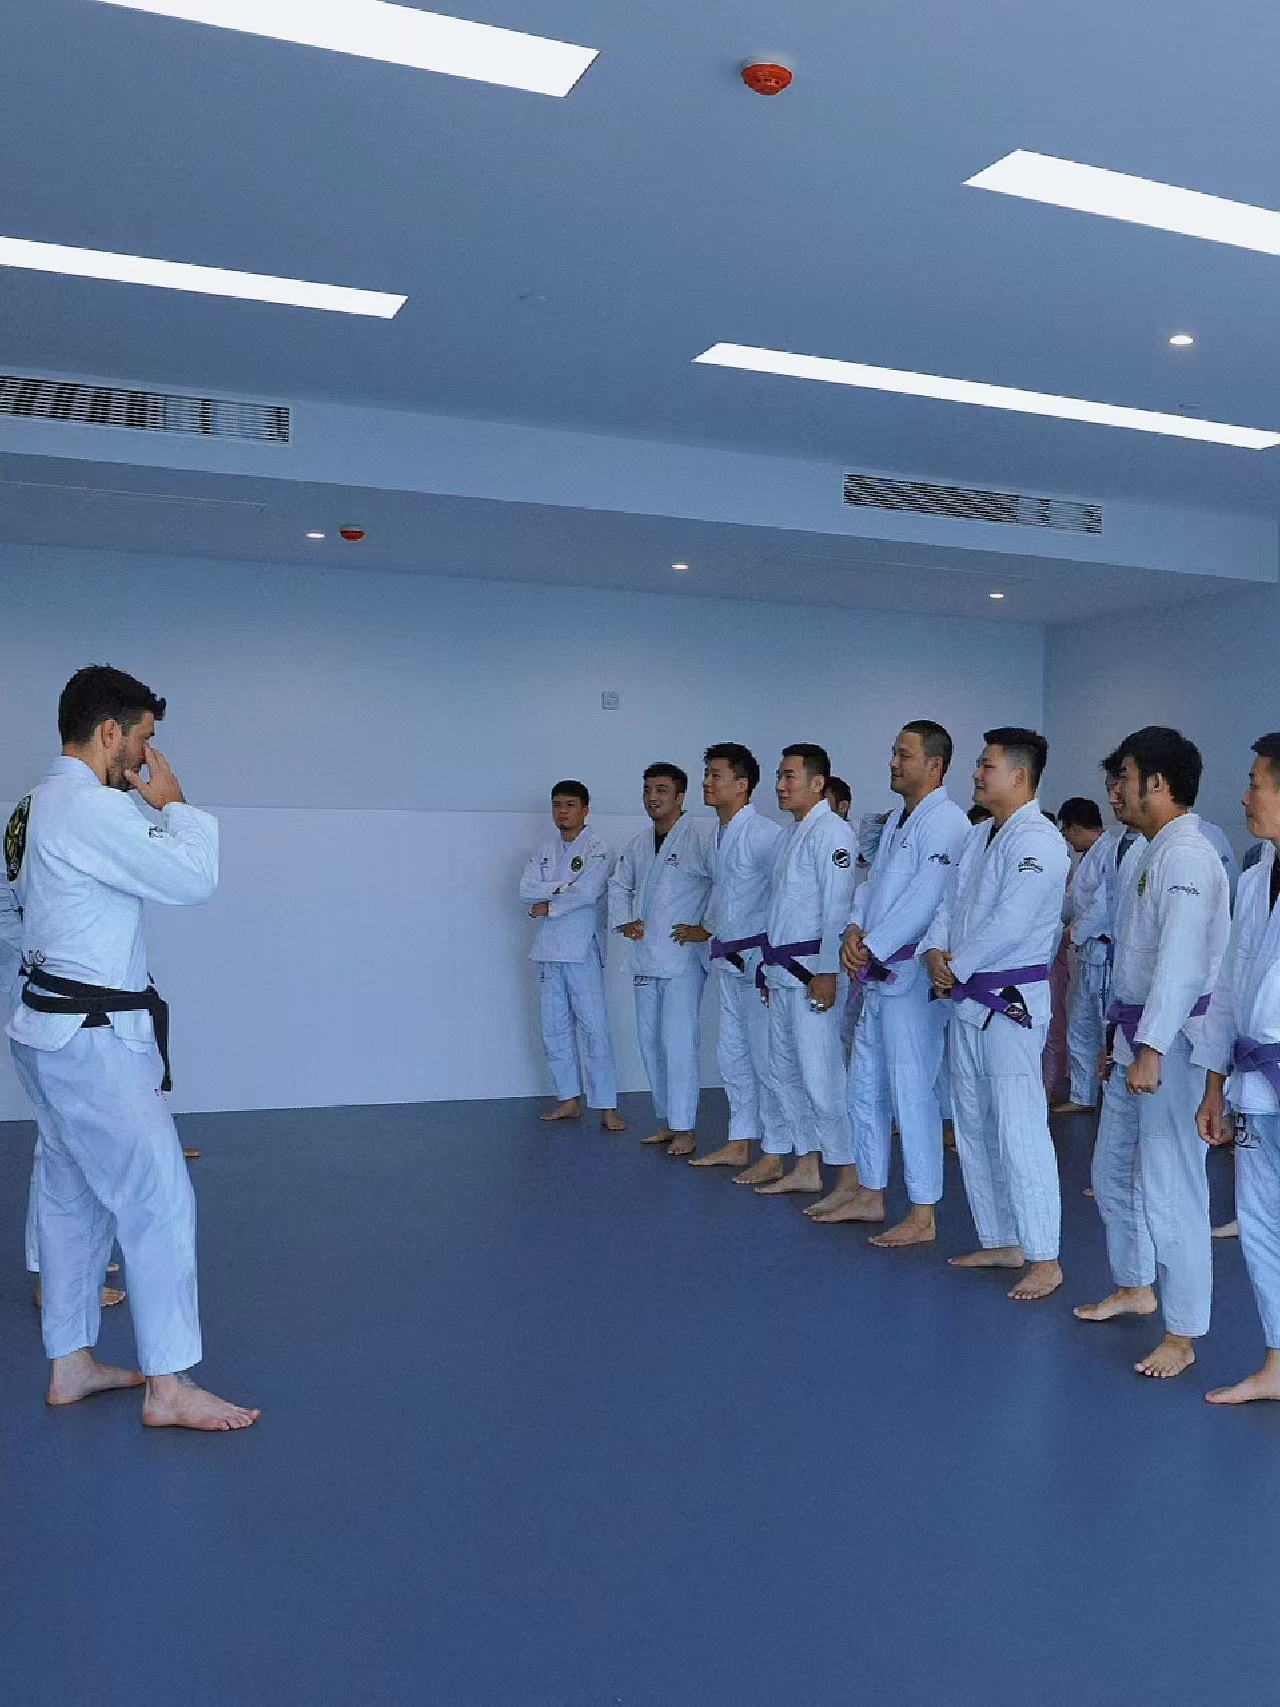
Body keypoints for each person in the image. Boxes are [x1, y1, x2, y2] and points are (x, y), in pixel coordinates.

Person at [6, 665, 258, 1429]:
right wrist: (173, 805)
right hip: (91, 1038)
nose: (146, 756)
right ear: (109, 731)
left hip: (45, 1029)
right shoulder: (89, 807)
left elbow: (9, 911)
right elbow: (193, 876)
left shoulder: (29, 807)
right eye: (143, 738)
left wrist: (48, 963)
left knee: (72, 1192)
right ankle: (169, 1385)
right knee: (157, 1194)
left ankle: (71, 1363)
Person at [1074, 727, 1230, 1379]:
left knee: (1172, 1187)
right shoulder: (1146, 850)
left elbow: (1182, 964)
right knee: (1112, 1172)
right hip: (1135, 1037)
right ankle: (1135, 1284)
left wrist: (1151, 1046)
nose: (1115, 791)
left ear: (1157, 783)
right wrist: (1120, 1041)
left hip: (1173, 1045)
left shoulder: (1188, 856)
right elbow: (1135, 961)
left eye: (1126, 778)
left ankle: (1183, 1333)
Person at [921, 728, 1070, 1301]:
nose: (976, 774)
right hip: (967, 998)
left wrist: (956, 966)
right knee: (974, 1123)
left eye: (986, 766)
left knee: (1019, 1127)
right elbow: (948, 904)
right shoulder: (980, 835)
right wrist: (935, 951)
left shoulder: (1040, 841)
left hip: (1008, 1004)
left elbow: (1014, 920)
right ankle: (1002, 1238)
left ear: (1020, 776)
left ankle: (1045, 1255)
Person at [830, 721, 968, 1243]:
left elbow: (926, 897)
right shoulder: (898, 821)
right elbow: (873, 885)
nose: (892, 762)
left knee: (912, 1093)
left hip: (910, 976)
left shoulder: (948, 822)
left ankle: (923, 1212)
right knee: (864, 1086)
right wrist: (853, 928)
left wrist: (874, 945)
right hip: (877, 972)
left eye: (903, 755)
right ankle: (870, 1191)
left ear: (934, 765)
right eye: (893, 753)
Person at [1196, 733, 1280, 1404]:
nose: (1245, 796)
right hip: (1256, 1081)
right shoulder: (1253, 881)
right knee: (1260, 1223)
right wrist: (1214, 1086)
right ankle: (1278, 1362)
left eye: (1256, 783)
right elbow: (1227, 990)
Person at [747, 746, 858, 1196]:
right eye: (779, 776)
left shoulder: (833, 833)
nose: (780, 785)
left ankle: (848, 1176)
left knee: (821, 1076)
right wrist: (767, 969)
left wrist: (828, 972)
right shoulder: (790, 835)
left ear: (817, 783)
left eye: (789, 776)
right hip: (783, 971)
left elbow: (838, 908)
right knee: (785, 1071)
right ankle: (807, 1165)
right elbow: (780, 909)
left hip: (814, 972)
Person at [682, 744, 785, 1174]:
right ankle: (739, 1141)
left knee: (766, 1057)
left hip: (759, 963)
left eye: (716, 775)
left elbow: (786, 899)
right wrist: (706, 928)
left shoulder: (765, 835)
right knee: (731, 1055)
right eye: (706, 774)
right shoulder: (717, 836)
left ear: (741, 785)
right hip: (727, 959)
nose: (707, 782)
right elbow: (725, 895)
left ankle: (775, 1151)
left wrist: (774, 962)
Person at [608, 763, 712, 1158]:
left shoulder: (699, 837)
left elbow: (724, 884)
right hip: (646, 955)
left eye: (662, 790)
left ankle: (686, 1128)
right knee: (650, 1042)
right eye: (648, 789)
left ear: (680, 796)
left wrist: (707, 927)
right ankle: (668, 1119)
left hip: (681, 957)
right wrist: (624, 921)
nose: (653, 797)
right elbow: (619, 884)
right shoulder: (639, 843)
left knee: (678, 1042)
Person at [519, 781, 625, 1133]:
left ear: (585, 810)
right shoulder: (545, 849)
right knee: (554, 1027)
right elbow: (526, 888)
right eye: (557, 805)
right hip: (549, 948)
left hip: (582, 948)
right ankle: (568, 1098)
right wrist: (564, 887)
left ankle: (606, 1105)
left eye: (570, 805)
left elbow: (589, 892)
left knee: (593, 1027)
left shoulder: (598, 848)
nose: (562, 811)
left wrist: (549, 905)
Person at [1054, 797, 1110, 1114]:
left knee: (1105, 1029)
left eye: (1066, 833)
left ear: (1075, 827)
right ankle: (1082, 1095)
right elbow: (1071, 903)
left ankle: (1110, 1097)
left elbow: (1103, 907)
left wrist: (1071, 934)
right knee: (1079, 1026)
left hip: (1104, 953)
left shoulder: (1110, 852)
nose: (1067, 840)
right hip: (1086, 954)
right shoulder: (1087, 857)